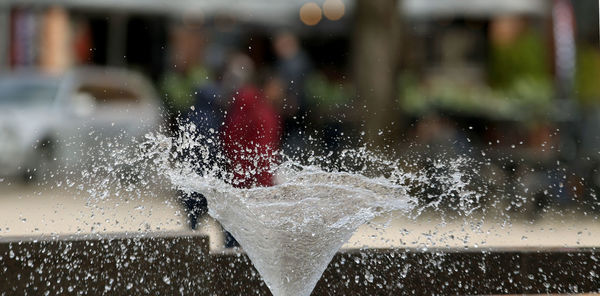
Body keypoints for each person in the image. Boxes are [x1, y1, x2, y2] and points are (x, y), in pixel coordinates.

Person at [221, 54, 282, 246]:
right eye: (277, 87)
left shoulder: (262, 107)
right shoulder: (253, 106)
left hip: (254, 178)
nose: (280, 92)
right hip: (247, 180)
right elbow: (233, 139)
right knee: (241, 236)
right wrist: (249, 173)